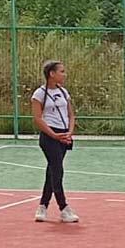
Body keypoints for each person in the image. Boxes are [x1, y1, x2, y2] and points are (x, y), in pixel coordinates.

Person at [32, 59, 78, 224]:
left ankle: (42, 206)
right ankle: (63, 207)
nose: (64, 74)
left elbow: (71, 114)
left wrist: (69, 132)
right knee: (57, 169)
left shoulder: (64, 92)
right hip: (49, 136)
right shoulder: (39, 94)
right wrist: (53, 134)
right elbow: (37, 118)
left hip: (64, 136)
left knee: (51, 171)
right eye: (61, 71)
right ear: (51, 74)